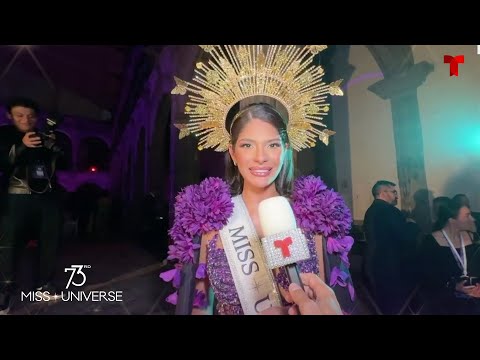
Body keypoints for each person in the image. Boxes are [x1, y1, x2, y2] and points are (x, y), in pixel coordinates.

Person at [161, 45, 355, 315]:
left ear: (286, 150)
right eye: (248, 145)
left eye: (273, 145)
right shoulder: (209, 224)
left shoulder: (315, 220)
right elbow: (199, 307)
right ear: (232, 152)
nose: (261, 157)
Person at [0, 97, 63, 314]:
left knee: (49, 241)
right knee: (8, 244)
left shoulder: (43, 136)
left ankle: (44, 284)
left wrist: (54, 147)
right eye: (20, 115)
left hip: (46, 198)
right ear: (10, 116)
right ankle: (5, 289)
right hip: (16, 198)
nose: (26, 120)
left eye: (30, 116)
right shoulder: (4, 135)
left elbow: (57, 165)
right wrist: (21, 146)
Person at [363, 180, 420, 314]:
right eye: (394, 192)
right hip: (391, 265)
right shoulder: (389, 211)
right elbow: (404, 236)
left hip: (373, 262)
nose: (396, 196)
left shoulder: (370, 211)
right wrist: (412, 225)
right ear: (383, 193)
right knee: (395, 305)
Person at [421, 199, 480, 314]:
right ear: (452, 220)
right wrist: (455, 286)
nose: (472, 219)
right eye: (467, 216)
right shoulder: (431, 242)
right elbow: (429, 277)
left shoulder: (473, 237)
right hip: (447, 298)